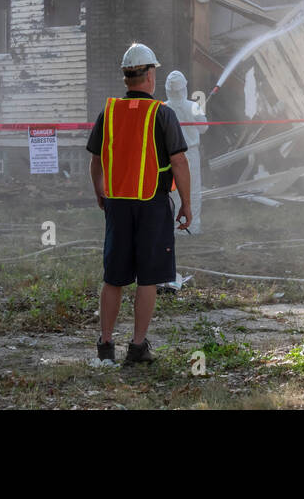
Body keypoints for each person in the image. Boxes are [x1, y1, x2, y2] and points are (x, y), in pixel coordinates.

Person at [86, 42, 191, 366]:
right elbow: (179, 162)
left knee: (114, 277)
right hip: (151, 206)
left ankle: (105, 346)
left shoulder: (109, 112)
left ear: (127, 77)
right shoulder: (162, 114)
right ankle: (137, 347)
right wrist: (187, 204)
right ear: (148, 76)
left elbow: (96, 160)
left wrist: (100, 191)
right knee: (148, 278)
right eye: (154, 71)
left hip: (117, 205)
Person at [163, 70, 206, 235]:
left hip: (169, 156)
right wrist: (199, 115)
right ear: (184, 88)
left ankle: (173, 229)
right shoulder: (193, 106)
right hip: (190, 155)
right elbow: (204, 128)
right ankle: (191, 228)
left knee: (172, 192)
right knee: (192, 190)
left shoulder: (163, 107)